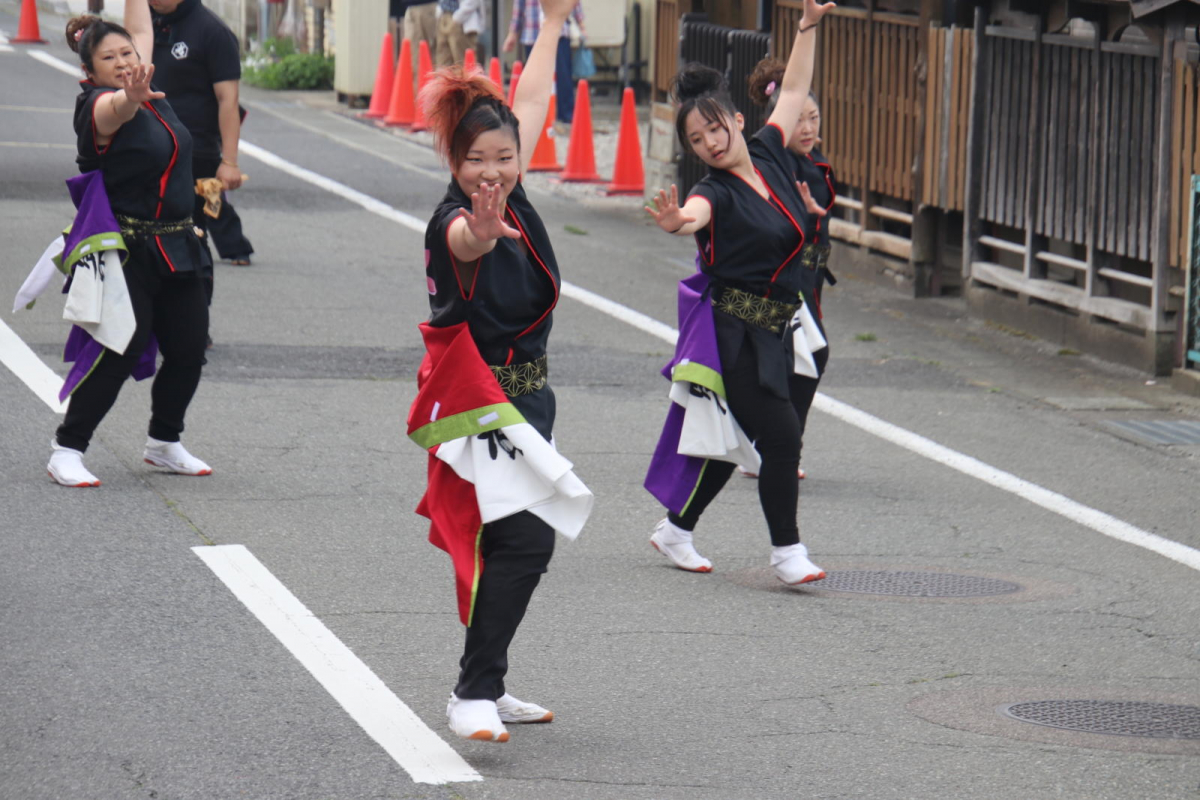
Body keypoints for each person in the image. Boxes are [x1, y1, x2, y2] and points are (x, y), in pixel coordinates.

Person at [410, 0, 592, 744]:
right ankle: (473, 693)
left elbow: (532, 101)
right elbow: (464, 241)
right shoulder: (456, 220)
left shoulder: (516, 197)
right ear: (454, 164)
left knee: (512, 542)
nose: (492, 171)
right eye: (475, 161)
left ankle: (487, 680)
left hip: (528, 404)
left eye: (503, 157)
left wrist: (552, 23)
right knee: (525, 541)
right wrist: (479, 233)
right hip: (481, 409)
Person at [643, 0, 836, 585]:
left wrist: (807, 27)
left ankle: (675, 529)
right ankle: (787, 553)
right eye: (696, 139)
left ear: (735, 118)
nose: (709, 142)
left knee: (739, 438)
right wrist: (677, 222)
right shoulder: (713, 191)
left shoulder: (773, 151)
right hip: (732, 336)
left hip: (775, 327)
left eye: (714, 128)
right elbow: (694, 216)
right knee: (782, 437)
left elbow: (795, 86)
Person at [48, 1, 212, 487]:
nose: (122, 62)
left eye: (127, 53)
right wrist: (129, 98)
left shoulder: (146, 83)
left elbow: (140, 25)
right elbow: (115, 110)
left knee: (188, 349)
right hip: (127, 251)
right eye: (108, 58)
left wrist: (138, 84)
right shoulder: (98, 106)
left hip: (178, 245)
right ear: (89, 71)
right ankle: (67, 449)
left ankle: (164, 441)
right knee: (118, 350)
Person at [738, 58, 838, 481]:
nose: (808, 128)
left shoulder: (814, 162)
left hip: (809, 279)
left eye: (813, 118)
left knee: (796, 358)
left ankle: (767, 445)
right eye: (798, 120)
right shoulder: (775, 165)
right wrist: (807, 216)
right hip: (782, 277)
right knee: (810, 354)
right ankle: (778, 448)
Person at [149, 0, 252, 283]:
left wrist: (229, 161)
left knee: (209, 197)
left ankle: (233, 246)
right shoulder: (143, 26)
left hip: (197, 147)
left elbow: (228, 100)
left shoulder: (212, 31)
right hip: (151, 143)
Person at [503, 0, 584, 128]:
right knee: (534, 79)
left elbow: (573, 3)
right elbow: (519, 6)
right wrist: (512, 33)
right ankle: (538, 118)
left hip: (559, 32)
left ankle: (566, 116)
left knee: (563, 76)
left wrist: (581, 25)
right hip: (532, 32)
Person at [435, 0, 481, 68]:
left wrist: (457, 18)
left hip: (461, 19)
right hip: (444, 14)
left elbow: (472, 2)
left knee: (463, 64)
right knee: (443, 63)